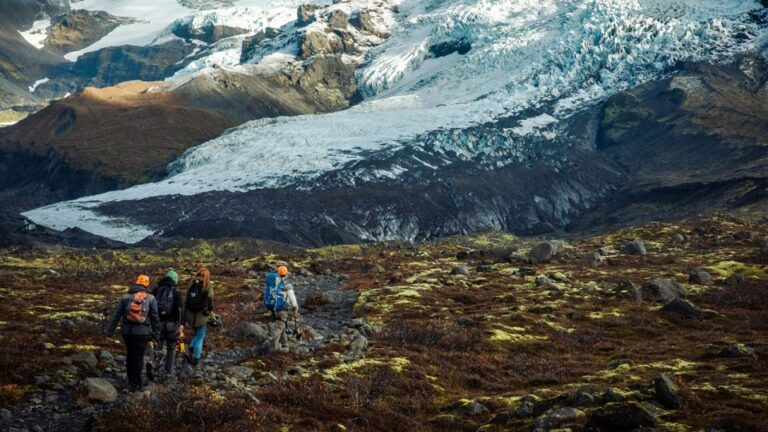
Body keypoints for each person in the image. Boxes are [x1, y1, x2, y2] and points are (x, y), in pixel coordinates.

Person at [106, 274, 160, 391]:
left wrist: (109, 332)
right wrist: (157, 334)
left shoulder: (125, 297)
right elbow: (155, 318)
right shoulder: (150, 298)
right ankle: (137, 384)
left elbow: (116, 315)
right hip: (142, 333)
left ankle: (131, 382)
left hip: (127, 333)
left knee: (130, 355)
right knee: (138, 357)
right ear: (146, 284)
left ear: (136, 282)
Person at [151, 270, 183, 376]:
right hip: (171, 324)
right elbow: (180, 310)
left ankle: (154, 367)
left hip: (158, 322)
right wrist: (180, 324)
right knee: (171, 346)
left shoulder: (156, 289)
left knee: (158, 344)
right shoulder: (176, 292)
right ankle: (168, 371)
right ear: (175, 280)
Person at [267, 265, 300, 353]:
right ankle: (274, 347)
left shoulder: (274, 284)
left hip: (274, 308)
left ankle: (285, 346)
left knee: (282, 326)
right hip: (283, 309)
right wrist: (295, 308)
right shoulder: (287, 285)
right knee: (279, 327)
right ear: (286, 274)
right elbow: (292, 299)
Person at [184, 268, 213, 366]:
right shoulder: (207, 286)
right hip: (201, 316)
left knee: (197, 334)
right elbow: (210, 300)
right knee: (200, 337)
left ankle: (191, 348)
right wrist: (209, 311)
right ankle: (195, 359)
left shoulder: (192, 284)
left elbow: (186, 300)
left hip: (190, 316)